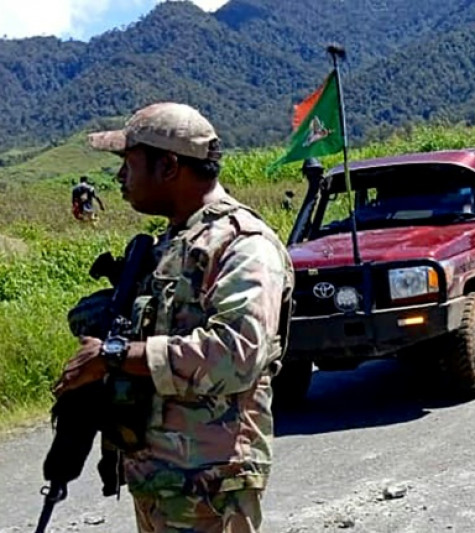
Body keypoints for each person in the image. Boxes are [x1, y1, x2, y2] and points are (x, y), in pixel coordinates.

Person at [53, 102, 294, 533]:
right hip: (161, 475)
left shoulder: (242, 245)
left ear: (168, 166)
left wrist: (113, 354)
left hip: (210, 482)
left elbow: (237, 354)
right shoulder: (174, 242)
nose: (120, 177)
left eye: (129, 162)